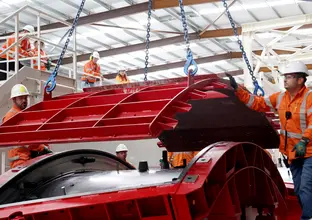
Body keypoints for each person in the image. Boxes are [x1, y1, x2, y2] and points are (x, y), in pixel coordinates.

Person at [226, 61, 312, 219]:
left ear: (300, 80)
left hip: (309, 151)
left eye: (289, 77)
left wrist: (304, 141)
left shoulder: (310, 98)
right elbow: (256, 103)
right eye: (284, 77)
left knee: (306, 187)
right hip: (293, 153)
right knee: (300, 190)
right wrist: (238, 90)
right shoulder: (280, 98)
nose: (285, 80)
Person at [2, 84, 52, 168]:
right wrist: (40, 148)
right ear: (14, 99)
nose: (24, 100)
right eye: (21, 98)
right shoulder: (11, 116)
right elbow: (25, 137)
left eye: (25, 97)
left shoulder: (22, 114)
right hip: (20, 159)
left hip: (26, 157)